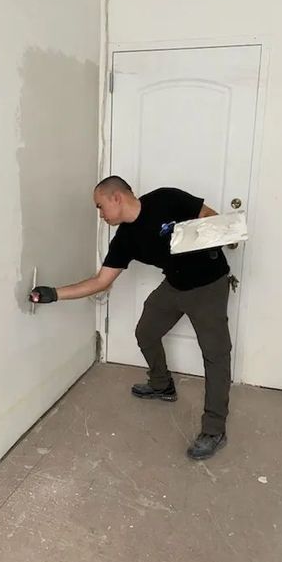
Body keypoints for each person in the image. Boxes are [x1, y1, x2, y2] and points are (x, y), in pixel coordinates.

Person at [29, 176, 232, 460]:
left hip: (208, 285)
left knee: (215, 354)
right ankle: (162, 384)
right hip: (175, 285)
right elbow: (101, 281)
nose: (100, 215)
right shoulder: (125, 239)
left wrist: (200, 242)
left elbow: (211, 218)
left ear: (116, 198)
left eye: (100, 207)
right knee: (146, 332)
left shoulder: (166, 198)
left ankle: (214, 429)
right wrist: (53, 294)